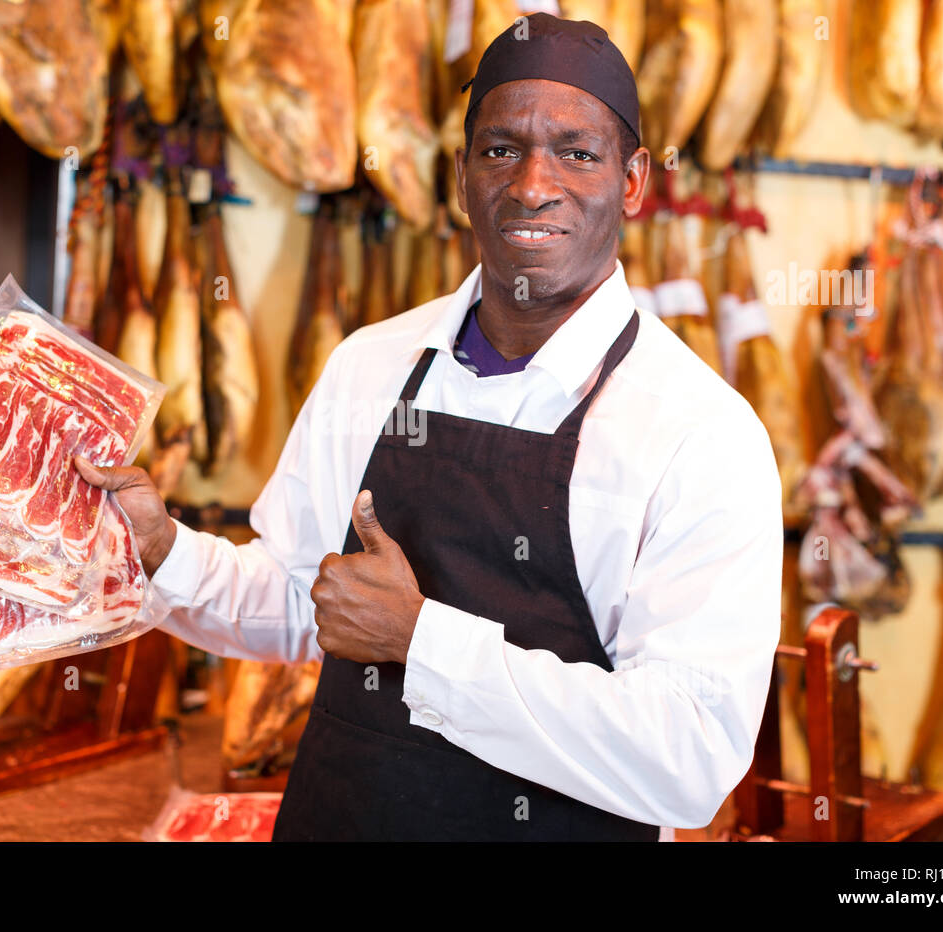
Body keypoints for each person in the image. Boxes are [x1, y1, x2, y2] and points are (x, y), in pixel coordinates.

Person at [76, 12, 782, 841]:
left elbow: (690, 757)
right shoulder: (370, 366)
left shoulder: (700, 432)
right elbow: (306, 601)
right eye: (500, 149)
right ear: (460, 173)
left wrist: (421, 642)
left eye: (577, 153)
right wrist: (162, 550)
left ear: (632, 181)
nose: (531, 185)